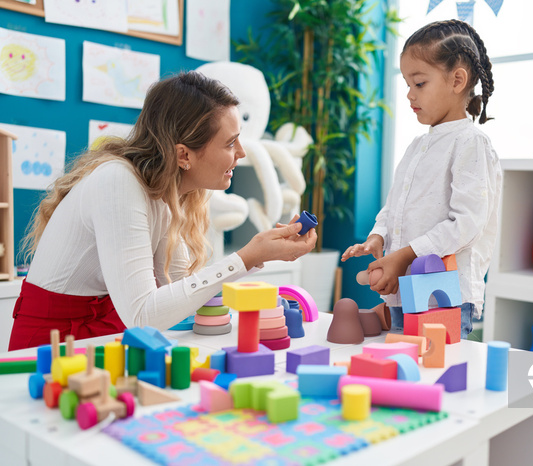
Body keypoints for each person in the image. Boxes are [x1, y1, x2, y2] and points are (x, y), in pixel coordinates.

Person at [9, 71, 317, 350]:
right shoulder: (118, 182)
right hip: (50, 345)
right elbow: (144, 313)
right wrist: (248, 256)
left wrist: (258, 255)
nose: (242, 152)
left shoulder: (165, 193)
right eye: (230, 143)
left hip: (106, 336)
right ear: (184, 154)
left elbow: (180, 291)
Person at [341, 19, 502, 338]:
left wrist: (404, 256)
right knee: (408, 374)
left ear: (457, 80)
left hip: (443, 295)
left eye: (419, 83)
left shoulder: (470, 143)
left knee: (435, 374)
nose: (409, 95)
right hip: (407, 292)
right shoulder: (417, 146)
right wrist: (379, 237)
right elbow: (394, 206)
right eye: (407, 84)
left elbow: (467, 224)